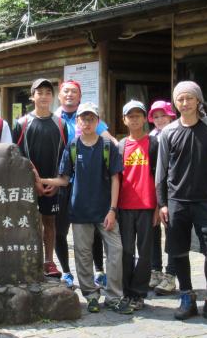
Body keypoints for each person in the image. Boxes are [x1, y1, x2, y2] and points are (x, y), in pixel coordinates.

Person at [156, 81, 207, 324]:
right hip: (177, 201)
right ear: (175, 103)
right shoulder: (169, 132)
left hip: (206, 200)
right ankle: (187, 298)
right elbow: (160, 171)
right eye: (180, 99)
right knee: (178, 250)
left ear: (198, 100)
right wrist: (162, 203)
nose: (185, 103)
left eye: (189, 98)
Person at [40, 103, 133, 315]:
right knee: (82, 255)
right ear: (78, 122)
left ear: (98, 122)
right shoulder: (72, 146)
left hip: (105, 211)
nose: (87, 122)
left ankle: (114, 296)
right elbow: (64, 179)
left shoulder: (108, 146)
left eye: (91, 119)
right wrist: (43, 180)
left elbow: (115, 179)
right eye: (83, 119)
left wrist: (112, 209)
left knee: (116, 251)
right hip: (80, 211)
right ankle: (91, 295)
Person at [54, 79, 114, 288]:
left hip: (88, 182)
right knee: (60, 229)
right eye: (66, 92)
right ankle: (67, 272)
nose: (69, 95)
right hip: (63, 180)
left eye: (74, 92)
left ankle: (99, 270)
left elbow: (111, 141)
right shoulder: (54, 119)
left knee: (93, 227)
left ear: (80, 97)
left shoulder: (89, 118)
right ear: (59, 96)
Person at [12, 78, 67, 278]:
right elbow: (16, 155)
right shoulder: (22, 123)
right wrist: (33, 180)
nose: (44, 96)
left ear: (52, 97)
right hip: (28, 184)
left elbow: (65, 155)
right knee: (28, 223)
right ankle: (30, 260)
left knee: (50, 222)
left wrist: (58, 182)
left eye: (47, 92)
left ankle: (49, 262)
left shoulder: (60, 123)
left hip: (53, 185)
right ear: (32, 96)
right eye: (39, 92)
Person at [117, 100, 159, 310]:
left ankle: (139, 292)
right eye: (130, 116)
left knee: (144, 252)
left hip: (147, 205)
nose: (134, 119)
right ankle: (125, 290)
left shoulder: (154, 144)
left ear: (144, 118)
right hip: (124, 205)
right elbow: (115, 178)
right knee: (125, 251)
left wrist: (159, 207)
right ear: (124, 120)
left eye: (138, 115)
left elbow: (162, 176)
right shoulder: (121, 145)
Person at [147, 100, 177, 295]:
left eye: (162, 116)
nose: (159, 120)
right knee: (153, 230)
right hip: (153, 188)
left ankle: (171, 275)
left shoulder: (177, 132)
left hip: (173, 190)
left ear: (170, 116)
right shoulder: (150, 137)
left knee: (173, 233)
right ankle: (155, 270)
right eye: (155, 117)